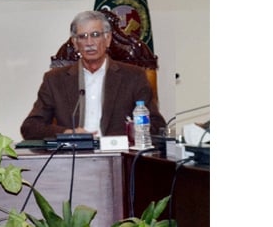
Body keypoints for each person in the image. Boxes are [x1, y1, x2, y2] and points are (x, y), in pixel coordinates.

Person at [20, 10, 165, 140]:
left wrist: (128, 134)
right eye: (82, 37)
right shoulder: (55, 80)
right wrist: (68, 133)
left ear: (107, 39)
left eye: (95, 35)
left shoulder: (133, 76)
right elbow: (30, 127)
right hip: (73, 158)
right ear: (75, 43)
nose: (89, 42)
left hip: (119, 157)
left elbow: (157, 125)